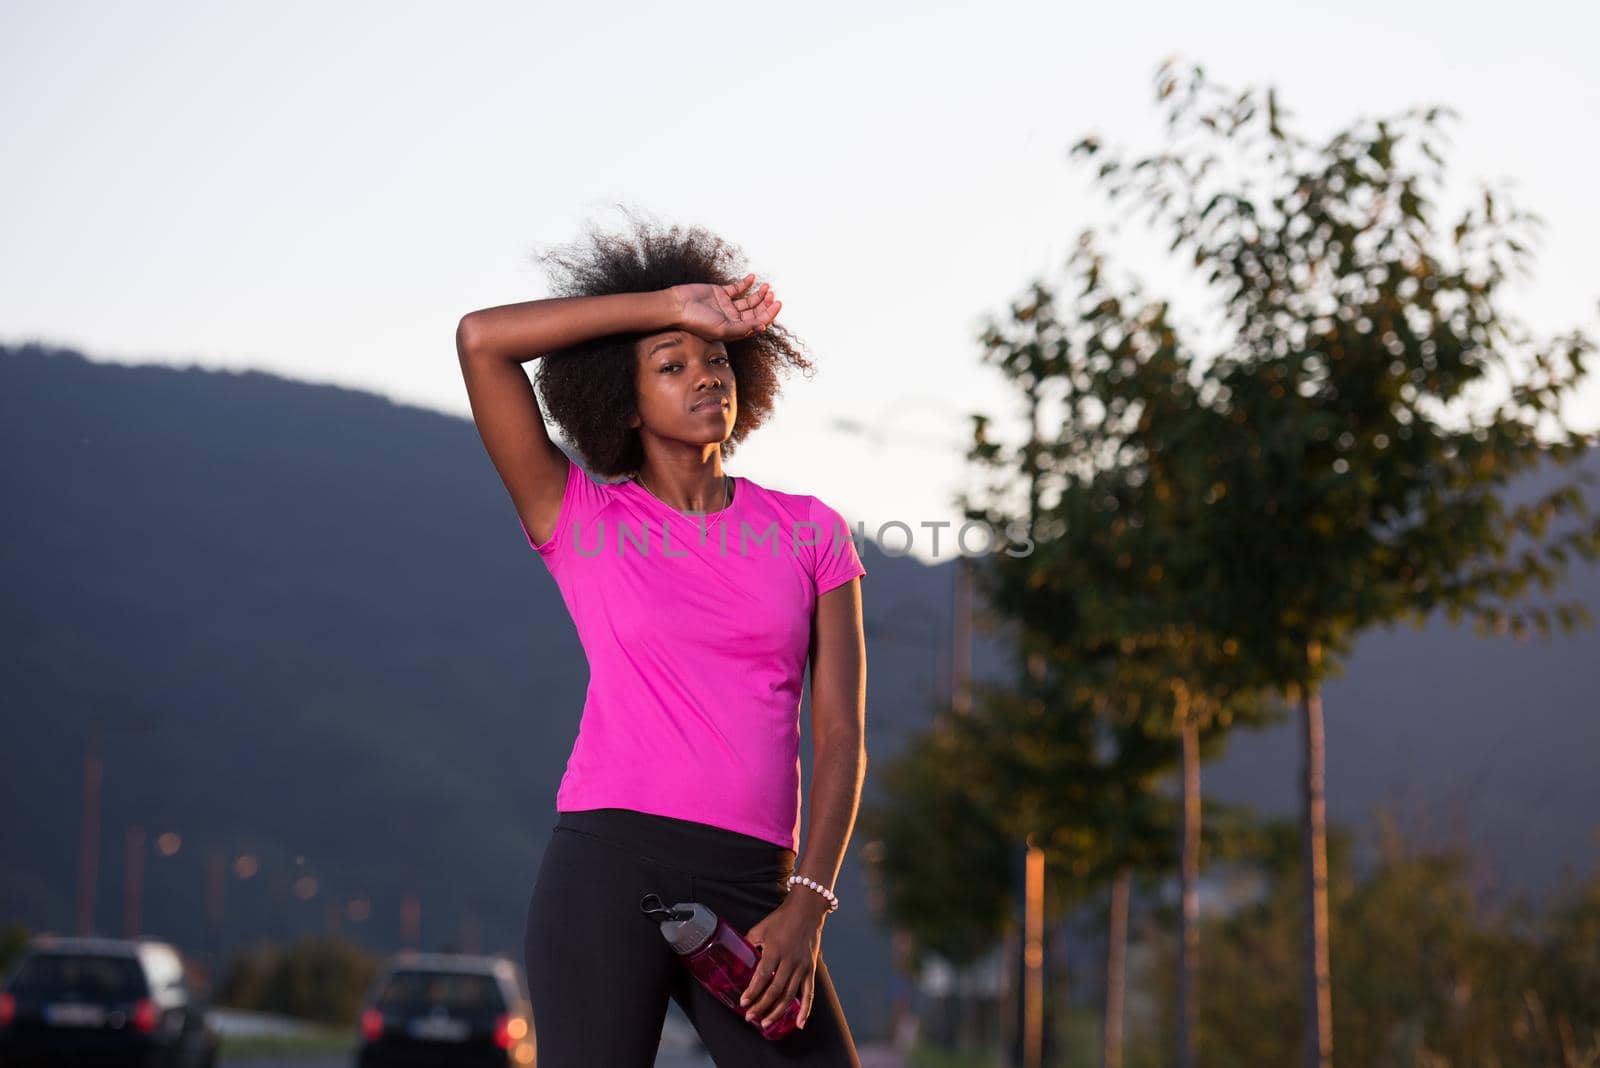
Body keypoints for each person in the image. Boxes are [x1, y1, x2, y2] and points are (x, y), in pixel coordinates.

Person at [455, 210, 868, 1067]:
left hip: (757, 881)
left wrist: (808, 903)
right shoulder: (579, 519)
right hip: (606, 867)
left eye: (716, 359)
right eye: (671, 365)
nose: (705, 376)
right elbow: (482, 340)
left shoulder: (811, 531)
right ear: (624, 400)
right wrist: (670, 304)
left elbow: (841, 737)